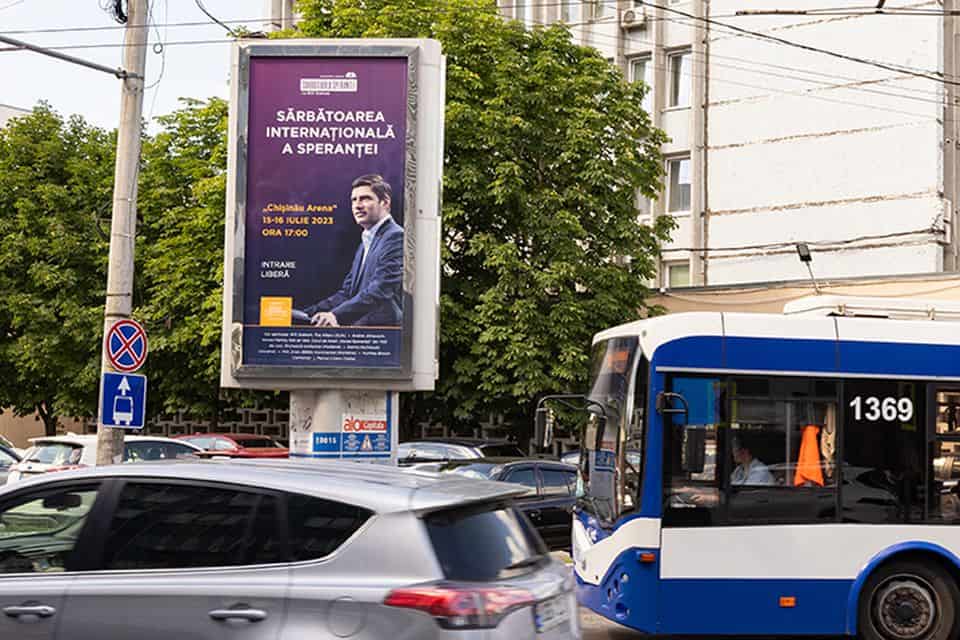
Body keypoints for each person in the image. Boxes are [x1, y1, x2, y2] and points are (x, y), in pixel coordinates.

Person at [301, 174, 403, 327]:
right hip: (364, 334)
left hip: (382, 338)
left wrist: (335, 315)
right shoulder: (366, 241)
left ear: (385, 202)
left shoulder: (395, 236)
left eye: (365, 198)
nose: (357, 205)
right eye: (354, 200)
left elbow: (381, 289)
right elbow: (348, 293)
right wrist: (307, 313)